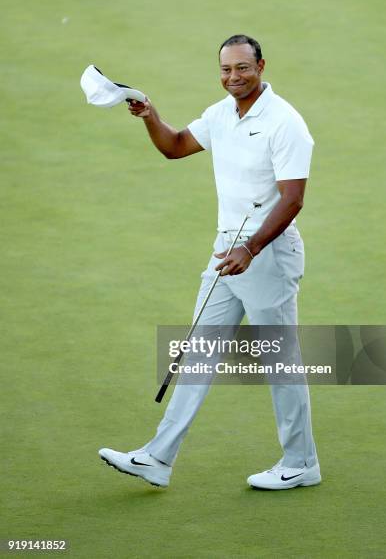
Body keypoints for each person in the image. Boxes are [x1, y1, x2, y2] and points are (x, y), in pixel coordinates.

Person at [99, 34, 321, 490]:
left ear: (261, 66)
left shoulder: (285, 122)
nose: (233, 77)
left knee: (279, 360)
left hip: (267, 252)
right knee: (197, 352)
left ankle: (301, 462)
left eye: (242, 68)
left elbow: (293, 199)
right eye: (225, 70)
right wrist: (150, 116)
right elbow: (176, 146)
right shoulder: (222, 114)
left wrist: (251, 248)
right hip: (227, 250)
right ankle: (158, 457)